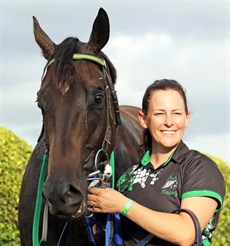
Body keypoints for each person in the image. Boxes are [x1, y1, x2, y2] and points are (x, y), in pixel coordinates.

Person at [87, 79, 226, 245]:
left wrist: (124, 205)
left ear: (187, 118)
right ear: (143, 119)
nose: (169, 121)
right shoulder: (127, 176)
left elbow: (185, 233)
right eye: (160, 113)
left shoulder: (200, 169)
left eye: (176, 113)